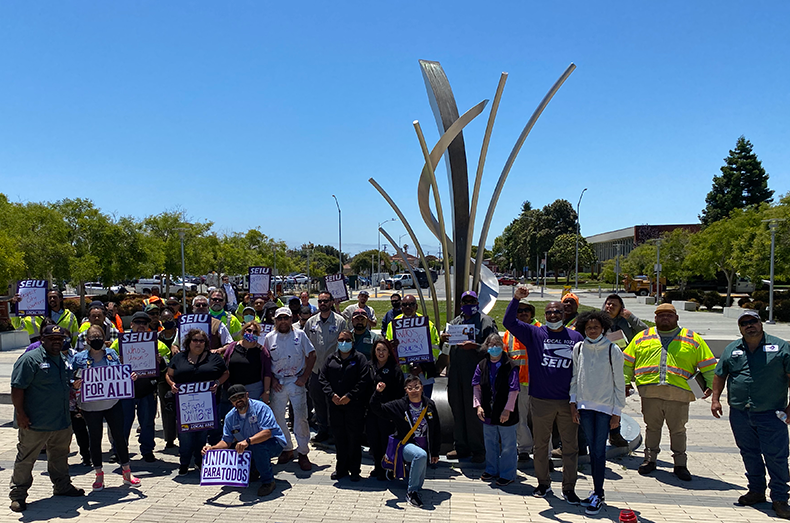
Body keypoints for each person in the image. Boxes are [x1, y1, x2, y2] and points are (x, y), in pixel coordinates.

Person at [502, 285, 584, 503]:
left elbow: (581, 370)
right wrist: (516, 299)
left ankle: (569, 487)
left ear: (564, 314)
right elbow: (508, 323)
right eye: (549, 312)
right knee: (540, 446)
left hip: (568, 402)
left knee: (570, 447)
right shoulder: (535, 333)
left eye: (557, 311)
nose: (554, 315)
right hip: (541, 400)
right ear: (544, 315)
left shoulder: (576, 338)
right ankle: (543, 483)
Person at [711, 310, 790, 519]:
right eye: (744, 323)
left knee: (776, 456)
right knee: (749, 452)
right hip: (740, 413)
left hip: (772, 413)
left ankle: (780, 498)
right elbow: (720, 375)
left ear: (760, 323)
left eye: (753, 321)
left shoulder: (781, 347)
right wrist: (715, 399)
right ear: (740, 328)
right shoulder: (732, 349)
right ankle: (756, 491)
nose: (749, 326)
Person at [624, 302, 716, 481]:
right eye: (660, 315)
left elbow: (708, 365)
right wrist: (626, 382)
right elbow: (627, 362)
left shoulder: (692, 338)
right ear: (655, 318)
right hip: (650, 393)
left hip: (679, 394)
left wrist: (712, 386)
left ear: (677, 318)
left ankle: (680, 464)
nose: (665, 318)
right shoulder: (642, 337)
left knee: (678, 430)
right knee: (652, 428)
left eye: (669, 315)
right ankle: (649, 460)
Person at [9, 325, 85, 512]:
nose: (56, 342)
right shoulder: (30, 360)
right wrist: (20, 414)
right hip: (35, 422)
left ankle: (62, 486)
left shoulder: (63, 358)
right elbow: (17, 388)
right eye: (52, 339)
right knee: (26, 458)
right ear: (42, 339)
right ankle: (18, 494)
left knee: (60, 456)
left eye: (59, 339)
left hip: (60, 420)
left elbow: (64, 383)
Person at [569, 311, 625, 515]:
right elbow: (575, 378)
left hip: (604, 409)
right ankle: (595, 492)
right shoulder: (579, 348)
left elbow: (620, 383)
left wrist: (617, 413)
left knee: (599, 451)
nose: (592, 330)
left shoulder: (613, 350)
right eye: (588, 327)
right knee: (592, 449)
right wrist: (573, 403)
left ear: (603, 328)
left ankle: (599, 494)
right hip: (584, 408)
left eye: (596, 327)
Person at [73, 325, 141, 491]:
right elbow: (71, 380)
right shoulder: (79, 358)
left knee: (119, 437)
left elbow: (119, 374)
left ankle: (127, 473)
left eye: (99, 337)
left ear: (104, 339)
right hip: (90, 406)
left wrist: (129, 377)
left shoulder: (111, 354)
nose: (96, 339)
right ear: (87, 340)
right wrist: (75, 386)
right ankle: (99, 475)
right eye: (93, 337)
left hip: (112, 402)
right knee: (95, 439)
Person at [441, 290, 497, 462]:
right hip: (456, 374)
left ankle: (478, 449)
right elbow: (445, 348)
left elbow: (495, 348)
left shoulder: (486, 321)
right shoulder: (455, 322)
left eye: (471, 300)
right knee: (457, 409)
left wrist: (476, 347)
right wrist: (443, 338)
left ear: (477, 302)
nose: (468, 304)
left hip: (476, 375)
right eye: (465, 301)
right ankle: (461, 447)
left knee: (475, 412)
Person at [202, 384, 287, 497]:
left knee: (258, 447)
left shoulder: (261, 408)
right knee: (235, 449)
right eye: (234, 398)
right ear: (231, 402)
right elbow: (226, 441)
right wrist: (212, 448)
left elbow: (267, 433)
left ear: (247, 395)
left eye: (240, 396)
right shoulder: (230, 417)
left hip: (273, 443)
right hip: (249, 445)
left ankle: (268, 482)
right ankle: (254, 468)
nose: (238, 400)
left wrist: (248, 441)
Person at [370, 376, 441, 508]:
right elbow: (377, 408)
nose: (414, 390)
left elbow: (436, 428)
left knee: (420, 482)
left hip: (424, 447)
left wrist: (435, 451)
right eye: (410, 388)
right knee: (420, 456)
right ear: (406, 391)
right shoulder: (399, 405)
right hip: (405, 445)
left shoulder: (429, 405)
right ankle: (411, 493)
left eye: (417, 387)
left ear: (422, 388)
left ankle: (398, 471)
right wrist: (378, 392)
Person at [166, 328, 229, 475]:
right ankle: (184, 462)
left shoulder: (214, 358)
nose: (198, 343)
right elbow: (169, 375)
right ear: (189, 342)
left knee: (202, 433)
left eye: (202, 341)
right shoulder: (179, 357)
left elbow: (226, 373)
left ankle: (200, 461)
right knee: (185, 434)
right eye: (195, 340)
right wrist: (172, 385)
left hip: (207, 404)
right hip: (184, 404)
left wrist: (218, 383)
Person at [108, 311, 170, 462]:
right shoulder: (119, 342)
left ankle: (147, 451)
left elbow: (166, 367)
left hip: (147, 389)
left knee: (148, 423)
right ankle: (119, 451)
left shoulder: (158, 344)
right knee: (122, 423)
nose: (141, 326)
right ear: (132, 324)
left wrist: (161, 361)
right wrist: (119, 362)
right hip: (125, 391)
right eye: (138, 322)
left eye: (145, 323)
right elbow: (110, 362)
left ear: (149, 326)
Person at [263, 307, 315, 471]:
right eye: (280, 319)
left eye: (286, 318)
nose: (283, 321)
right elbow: (266, 361)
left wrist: (305, 377)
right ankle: (287, 448)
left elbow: (312, 354)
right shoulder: (269, 338)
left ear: (291, 319)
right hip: (278, 382)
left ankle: (303, 452)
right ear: (275, 321)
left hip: (296, 381)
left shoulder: (300, 335)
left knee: (300, 418)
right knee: (278, 418)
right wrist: (271, 381)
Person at [319, 329, 373, 481]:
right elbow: (323, 378)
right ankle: (341, 469)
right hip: (335, 406)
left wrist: (350, 396)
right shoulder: (331, 359)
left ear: (352, 342)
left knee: (354, 439)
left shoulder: (360, 359)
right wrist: (332, 395)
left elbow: (364, 380)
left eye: (347, 340)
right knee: (339, 438)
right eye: (341, 340)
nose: (344, 343)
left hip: (353, 406)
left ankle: (355, 470)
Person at [473, 333, 520, 487]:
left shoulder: (510, 365)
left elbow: (514, 390)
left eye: (498, 344)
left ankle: (508, 474)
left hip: (505, 411)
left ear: (503, 346)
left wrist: (507, 410)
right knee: (490, 442)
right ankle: (491, 469)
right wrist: (478, 405)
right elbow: (476, 386)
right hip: (487, 410)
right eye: (491, 345)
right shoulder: (482, 365)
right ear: (486, 347)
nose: (494, 348)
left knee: (508, 445)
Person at [602, 293, 647, 448]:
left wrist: (631, 318)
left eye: (614, 305)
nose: (610, 307)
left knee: (617, 403)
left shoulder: (626, 323)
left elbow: (646, 332)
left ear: (621, 309)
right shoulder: (598, 321)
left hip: (620, 369)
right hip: (601, 368)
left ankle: (615, 434)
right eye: (608, 304)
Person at [304, 291, 347, 443]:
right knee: (318, 402)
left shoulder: (340, 322)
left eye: (326, 301)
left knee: (333, 403)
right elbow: (305, 345)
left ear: (331, 302)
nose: (322, 303)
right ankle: (322, 430)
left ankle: (335, 432)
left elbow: (344, 345)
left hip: (333, 371)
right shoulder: (311, 322)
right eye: (320, 301)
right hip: (315, 371)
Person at [385, 294, 441, 398]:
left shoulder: (427, 324)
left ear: (416, 306)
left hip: (423, 375)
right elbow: (387, 349)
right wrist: (391, 347)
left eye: (411, 304)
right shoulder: (393, 324)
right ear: (401, 307)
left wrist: (421, 367)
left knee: (424, 407)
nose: (408, 307)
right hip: (402, 374)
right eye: (405, 305)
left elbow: (435, 348)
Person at [503, 298, 537, 462]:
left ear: (532, 313)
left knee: (542, 421)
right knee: (520, 419)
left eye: (526, 311)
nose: (523, 313)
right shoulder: (509, 334)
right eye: (519, 311)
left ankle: (543, 451)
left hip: (539, 384)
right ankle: (524, 449)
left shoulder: (541, 330)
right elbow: (504, 358)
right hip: (518, 385)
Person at [366, 339, 405, 480]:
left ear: (389, 353)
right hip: (371, 411)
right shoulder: (369, 366)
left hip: (387, 412)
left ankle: (386, 469)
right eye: (378, 350)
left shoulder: (395, 369)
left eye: (384, 350)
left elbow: (400, 393)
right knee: (373, 440)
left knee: (385, 441)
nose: (381, 353)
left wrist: (394, 413)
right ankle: (377, 466)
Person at [12, 289, 79, 346]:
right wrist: (14, 307)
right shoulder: (35, 317)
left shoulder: (70, 316)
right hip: (40, 353)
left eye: (54, 297)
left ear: (61, 299)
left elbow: (75, 336)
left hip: (63, 352)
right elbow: (18, 326)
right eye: (49, 298)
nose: (52, 299)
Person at [157, 308, 178, 448]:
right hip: (163, 378)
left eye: (170, 318)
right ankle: (169, 439)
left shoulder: (181, 335)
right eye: (164, 320)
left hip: (180, 376)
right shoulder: (157, 336)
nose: (167, 322)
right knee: (167, 408)